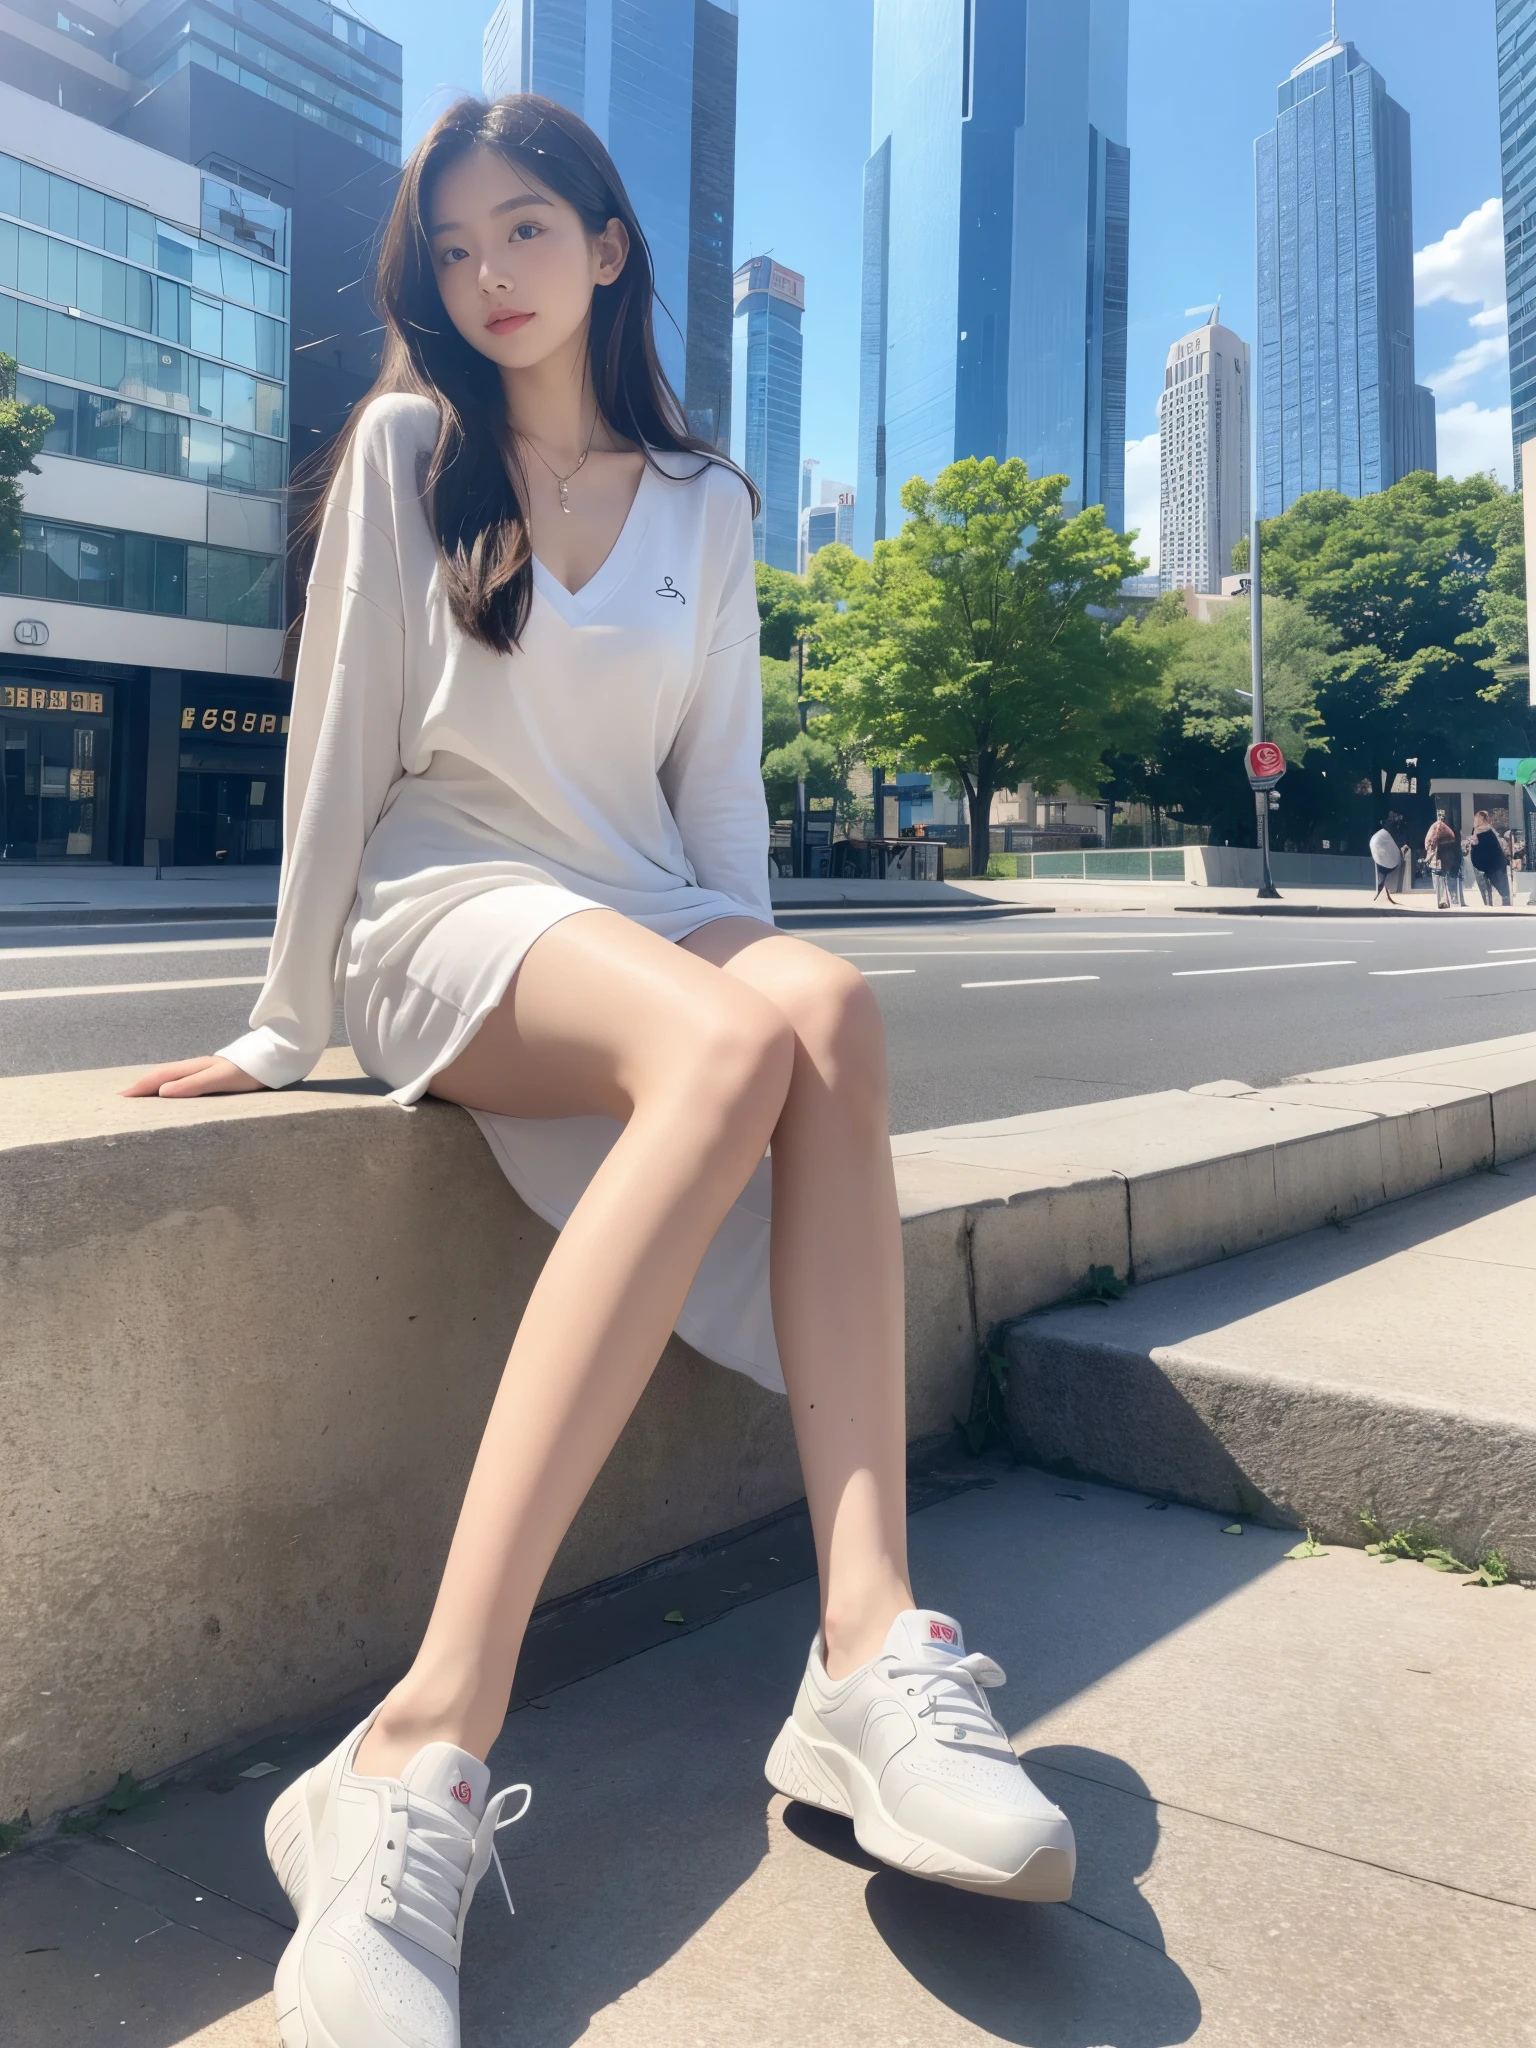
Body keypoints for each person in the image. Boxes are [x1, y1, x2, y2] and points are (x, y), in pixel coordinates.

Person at [118, 95, 1074, 2047]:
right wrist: (276, 1024)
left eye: (526, 231)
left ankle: (868, 1646)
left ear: (610, 245)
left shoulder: (709, 504)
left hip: (635, 903)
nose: (487, 278)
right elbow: (335, 750)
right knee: (740, 1025)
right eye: (454, 249)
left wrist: (773, 997)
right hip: (442, 897)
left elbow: (712, 809)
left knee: (827, 1012)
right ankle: (412, 1744)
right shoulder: (408, 451)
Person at [1469, 809, 1513, 907]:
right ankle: (1505, 903)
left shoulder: (1476, 831)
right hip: (1497, 862)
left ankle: (1490, 904)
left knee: (1487, 889)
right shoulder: (1491, 830)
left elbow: (1476, 845)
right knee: (1502, 888)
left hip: (1484, 864)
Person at [1425, 812, 1464, 909]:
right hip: (1445, 859)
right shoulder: (1447, 829)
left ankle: (1442, 901)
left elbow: (1432, 841)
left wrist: (1429, 855)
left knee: (1439, 880)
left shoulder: (1437, 827)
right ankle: (1447, 900)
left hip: (1438, 859)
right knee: (1443, 879)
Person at [1369, 819, 1403, 902]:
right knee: (1385, 876)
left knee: (1383, 876)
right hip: (1385, 860)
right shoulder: (1386, 835)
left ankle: (1382, 891)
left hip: (1380, 858)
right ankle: (1383, 892)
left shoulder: (1382, 835)